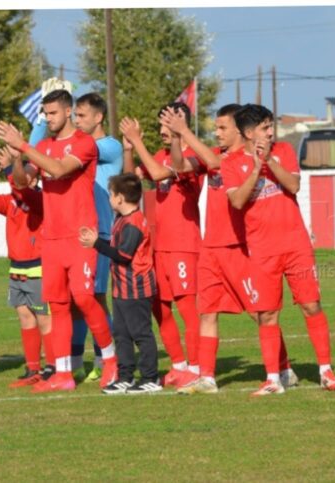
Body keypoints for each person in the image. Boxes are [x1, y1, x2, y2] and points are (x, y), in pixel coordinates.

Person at [0, 89, 117, 393]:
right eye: (45, 114)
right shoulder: (44, 145)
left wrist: (23, 145)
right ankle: (63, 374)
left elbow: (59, 169)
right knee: (58, 305)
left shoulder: (84, 143)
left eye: (53, 113)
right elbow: (23, 182)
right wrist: (18, 159)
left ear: (67, 111)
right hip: (52, 239)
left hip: (80, 237)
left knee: (84, 299)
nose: (48, 119)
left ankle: (110, 361)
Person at [160, 104, 287, 395]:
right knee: (207, 312)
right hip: (211, 247)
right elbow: (180, 165)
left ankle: (282, 366)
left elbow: (214, 163)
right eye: (215, 128)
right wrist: (177, 138)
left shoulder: (244, 158)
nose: (217, 133)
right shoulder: (213, 155)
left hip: (240, 246)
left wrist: (185, 131)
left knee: (259, 313)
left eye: (222, 128)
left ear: (239, 131)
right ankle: (207, 378)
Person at [222, 104, 335, 396]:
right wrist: (256, 169)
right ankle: (273, 379)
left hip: (296, 245)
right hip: (262, 250)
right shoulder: (230, 164)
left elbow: (293, 185)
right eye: (265, 127)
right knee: (267, 314)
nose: (270, 132)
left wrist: (269, 162)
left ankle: (326, 371)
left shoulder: (284, 151)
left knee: (311, 305)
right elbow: (237, 201)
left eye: (270, 126)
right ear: (249, 133)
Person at [120, 102, 203, 389]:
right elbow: (130, 181)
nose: (161, 130)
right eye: (160, 125)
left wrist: (138, 141)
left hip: (183, 245)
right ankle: (179, 365)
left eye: (167, 124)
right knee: (160, 307)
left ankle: (196, 368)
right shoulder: (159, 155)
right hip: (159, 245)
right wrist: (129, 149)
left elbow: (157, 174)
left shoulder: (191, 157)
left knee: (187, 309)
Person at [80, 173, 160, 394]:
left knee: (141, 334)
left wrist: (97, 244)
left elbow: (123, 255)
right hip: (121, 289)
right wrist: (98, 241)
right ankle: (126, 376)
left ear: (120, 198)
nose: (109, 199)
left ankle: (150, 377)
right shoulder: (122, 219)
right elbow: (116, 247)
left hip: (137, 289)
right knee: (121, 335)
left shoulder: (134, 223)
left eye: (111, 194)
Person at [0, 147, 54, 387]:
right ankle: (32, 368)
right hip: (17, 267)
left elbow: (22, 191)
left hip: (38, 267)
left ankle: (52, 367)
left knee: (44, 318)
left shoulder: (41, 199)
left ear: (35, 178)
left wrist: (12, 166)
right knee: (25, 316)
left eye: (27, 172)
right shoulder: (12, 200)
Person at [66, 92, 123, 382]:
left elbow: (72, 149)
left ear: (99, 117)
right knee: (75, 300)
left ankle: (104, 360)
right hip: (76, 231)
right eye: (74, 115)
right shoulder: (78, 146)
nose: (76, 121)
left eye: (81, 115)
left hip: (99, 232)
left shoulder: (110, 146)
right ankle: (76, 362)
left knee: (95, 297)